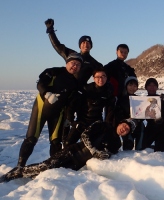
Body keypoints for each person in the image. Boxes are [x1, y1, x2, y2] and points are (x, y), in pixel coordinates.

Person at [0, 120, 136, 183]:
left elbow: (108, 154)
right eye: (124, 125)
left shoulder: (117, 143)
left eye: (127, 129)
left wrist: (103, 155)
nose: (124, 129)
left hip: (78, 164)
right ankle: (14, 174)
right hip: (72, 152)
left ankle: (28, 178)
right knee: (46, 166)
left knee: (50, 173)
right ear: (120, 123)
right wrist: (93, 150)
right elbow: (84, 135)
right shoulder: (102, 125)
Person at [16, 53, 83, 169]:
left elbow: (71, 103)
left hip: (58, 114)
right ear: (67, 63)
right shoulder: (54, 72)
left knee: (56, 141)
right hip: (42, 108)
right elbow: (40, 83)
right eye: (73, 63)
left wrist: (68, 118)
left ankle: (54, 166)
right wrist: (47, 93)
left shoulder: (75, 83)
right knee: (31, 139)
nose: (75, 66)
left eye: (78, 65)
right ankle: (20, 166)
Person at [64, 68, 116, 146]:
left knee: (96, 145)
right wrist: (72, 121)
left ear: (106, 77)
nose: (100, 79)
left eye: (103, 76)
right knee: (68, 143)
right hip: (82, 121)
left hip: (96, 122)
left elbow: (110, 110)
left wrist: (107, 125)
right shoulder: (86, 89)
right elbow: (72, 106)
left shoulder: (108, 91)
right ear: (93, 78)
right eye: (98, 77)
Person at [44, 18, 103, 86]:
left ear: (91, 46)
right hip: (65, 86)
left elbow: (102, 78)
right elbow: (57, 46)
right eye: (83, 43)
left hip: (79, 92)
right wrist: (51, 31)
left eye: (88, 43)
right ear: (79, 46)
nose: (86, 45)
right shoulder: (71, 55)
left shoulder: (95, 63)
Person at [114, 76, 145, 150]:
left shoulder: (139, 99)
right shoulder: (120, 100)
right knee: (128, 147)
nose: (132, 88)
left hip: (138, 126)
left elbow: (143, 114)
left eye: (135, 86)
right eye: (130, 85)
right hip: (125, 126)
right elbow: (117, 114)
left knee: (140, 148)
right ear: (126, 86)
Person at [142, 78, 164, 152]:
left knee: (160, 152)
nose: (152, 87)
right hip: (150, 128)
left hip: (162, 128)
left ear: (157, 87)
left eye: (154, 85)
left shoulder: (161, 98)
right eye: (149, 85)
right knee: (143, 150)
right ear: (146, 87)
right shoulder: (143, 100)